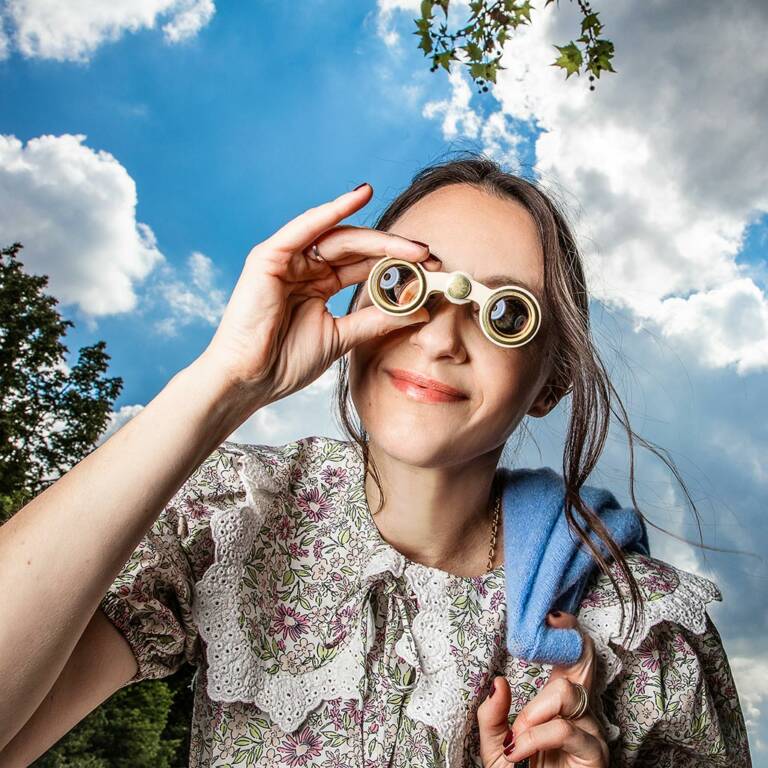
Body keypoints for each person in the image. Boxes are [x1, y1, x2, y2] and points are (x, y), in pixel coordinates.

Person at [0, 154, 752, 768]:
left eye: (506, 313)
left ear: (551, 382)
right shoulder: (236, 516)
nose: (440, 338)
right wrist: (221, 384)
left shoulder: (641, 627)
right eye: (407, 284)